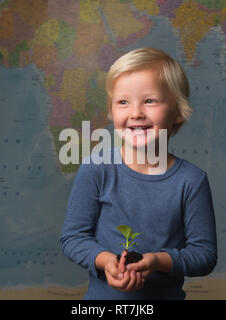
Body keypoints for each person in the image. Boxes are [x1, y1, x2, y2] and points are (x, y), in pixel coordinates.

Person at [60, 47, 217, 299]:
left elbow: (204, 255)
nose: (135, 113)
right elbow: (73, 238)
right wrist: (106, 261)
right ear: (111, 112)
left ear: (178, 112)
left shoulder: (191, 181)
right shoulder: (95, 169)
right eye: (123, 102)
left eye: (149, 100)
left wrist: (157, 261)